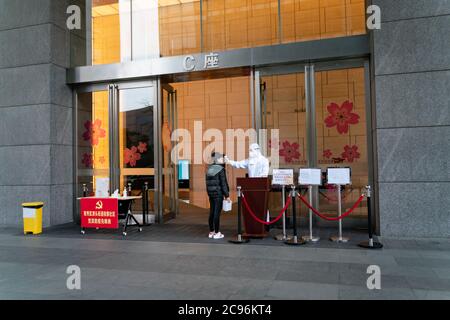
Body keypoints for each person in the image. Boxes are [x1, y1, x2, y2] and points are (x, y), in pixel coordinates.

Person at [205, 152, 230, 239]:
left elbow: (207, 183)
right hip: (218, 194)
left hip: (211, 194)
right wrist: (227, 195)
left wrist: (209, 193)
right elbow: (223, 183)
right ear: (218, 159)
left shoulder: (209, 169)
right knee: (216, 213)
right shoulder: (220, 169)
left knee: (212, 212)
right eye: (221, 158)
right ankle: (217, 233)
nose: (222, 160)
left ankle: (211, 232)